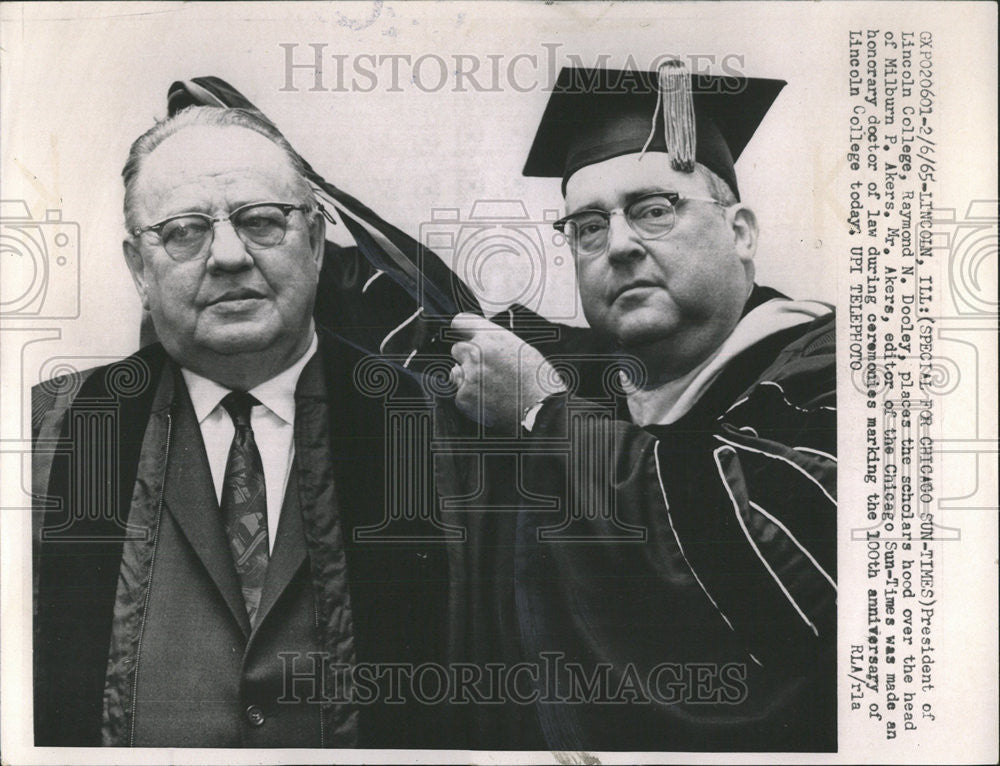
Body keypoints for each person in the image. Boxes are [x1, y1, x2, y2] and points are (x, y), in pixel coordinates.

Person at [445, 63, 837, 751]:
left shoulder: (834, 367)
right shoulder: (590, 382)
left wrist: (544, 413)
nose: (619, 244)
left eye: (654, 209)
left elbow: (774, 567)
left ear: (741, 232)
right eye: (588, 227)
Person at [32, 106, 449, 748]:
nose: (228, 256)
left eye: (261, 222)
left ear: (313, 244)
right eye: (184, 232)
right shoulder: (47, 434)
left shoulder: (431, 430)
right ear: (139, 270)